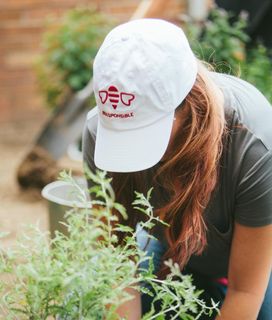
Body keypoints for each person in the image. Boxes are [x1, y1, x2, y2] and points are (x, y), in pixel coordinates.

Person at [82, 18, 272, 319]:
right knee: (81, 291)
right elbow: (117, 266)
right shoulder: (99, 133)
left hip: (259, 266)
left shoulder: (253, 142)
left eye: (142, 132)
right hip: (173, 252)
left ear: (189, 103)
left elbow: (245, 290)